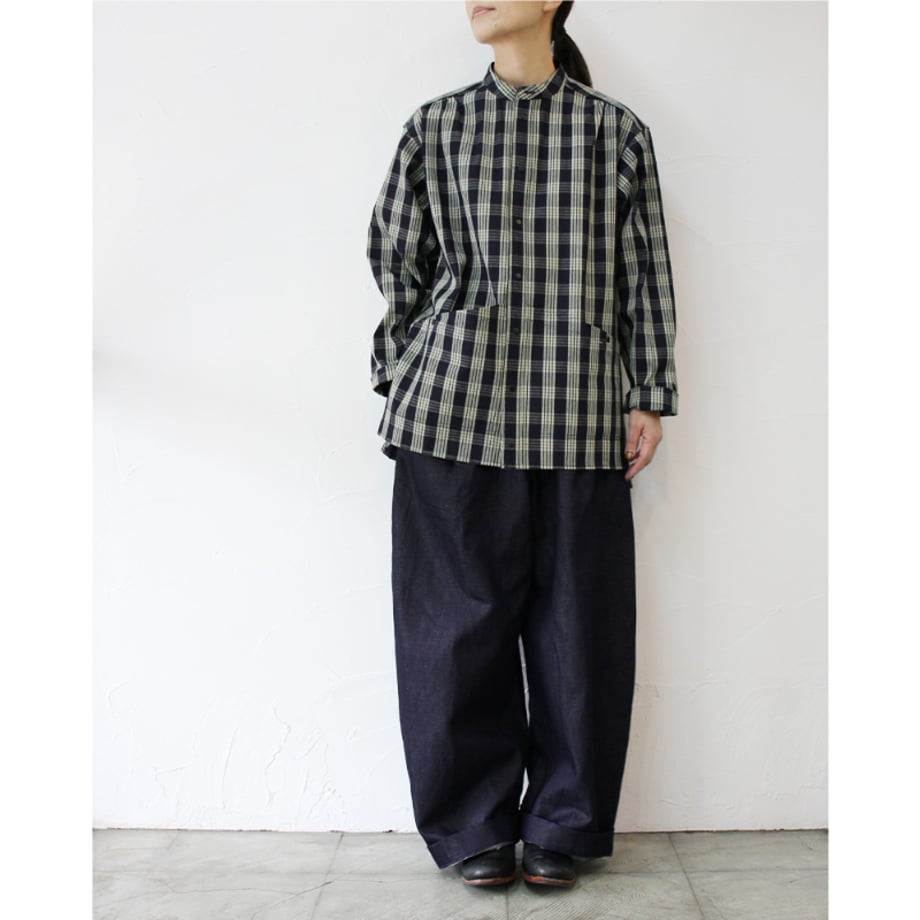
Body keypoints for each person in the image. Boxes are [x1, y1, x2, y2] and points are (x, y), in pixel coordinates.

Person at [365, 0, 678, 891]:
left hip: (579, 414)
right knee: (451, 632)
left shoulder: (616, 133)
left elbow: (646, 271)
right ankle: (472, 824)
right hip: (450, 416)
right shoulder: (436, 126)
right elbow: (396, 260)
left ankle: (564, 824)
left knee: (581, 629)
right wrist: (404, 370)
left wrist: (649, 393)